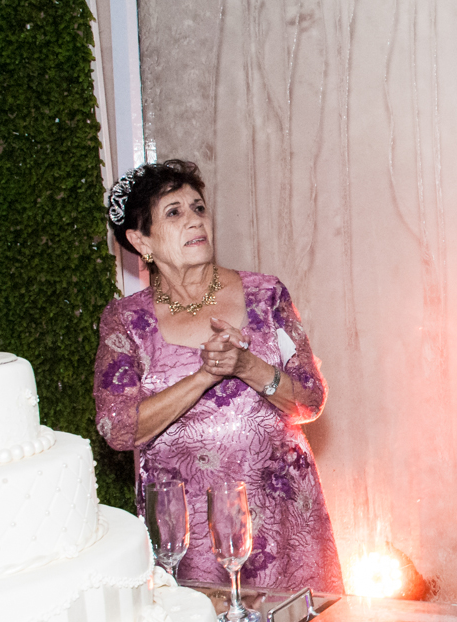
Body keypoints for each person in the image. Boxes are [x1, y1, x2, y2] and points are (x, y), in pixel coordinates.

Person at [95, 160, 343, 595]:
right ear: (140, 239)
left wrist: (246, 365)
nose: (195, 220)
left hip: (285, 518)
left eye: (199, 208)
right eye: (173, 212)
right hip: (188, 533)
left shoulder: (266, 295)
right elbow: (117, 428)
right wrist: (204, 376)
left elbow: (311, 400)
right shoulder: (126, 321)